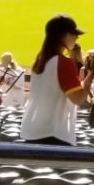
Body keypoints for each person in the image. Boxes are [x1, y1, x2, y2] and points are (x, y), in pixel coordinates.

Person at [19, 14, 88, 144]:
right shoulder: (63, 62)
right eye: (74, 34)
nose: (77, 37)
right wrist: (89, 79)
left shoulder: (39, 60)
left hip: (33, 130)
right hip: (54, 133)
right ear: (65, 35)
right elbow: (78, 99)